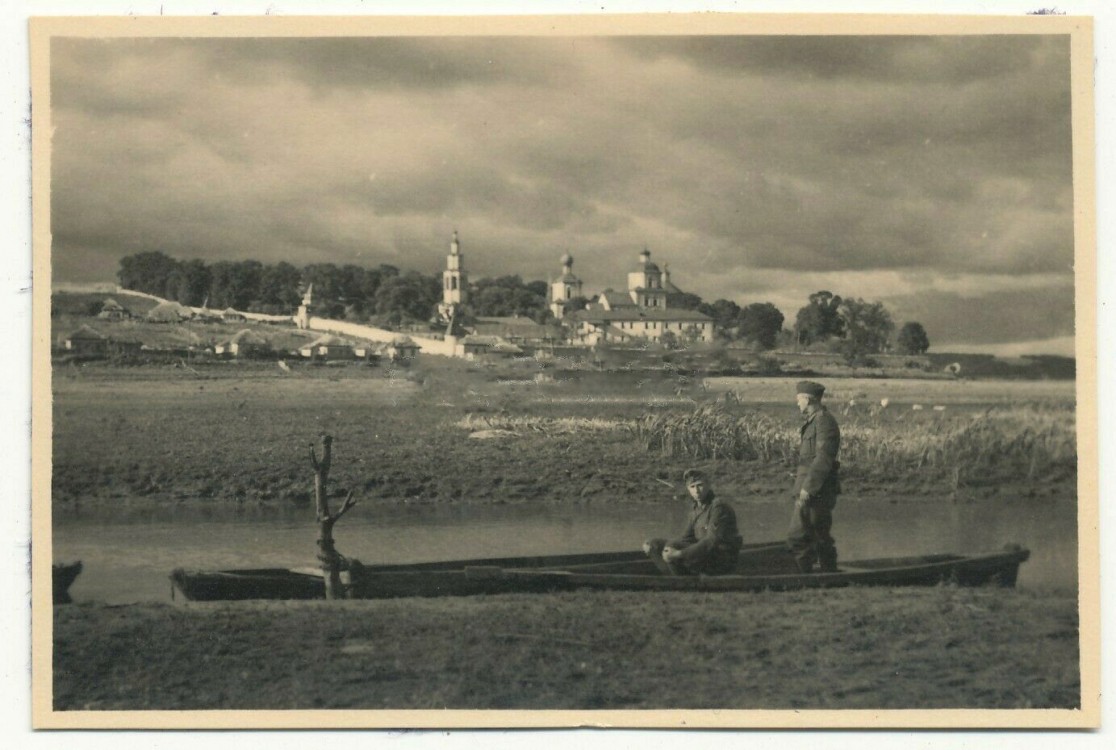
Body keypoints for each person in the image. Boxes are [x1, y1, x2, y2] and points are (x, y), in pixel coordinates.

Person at [642, 468, 743, 575]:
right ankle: (675, 578)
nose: (696, 491)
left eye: (700, 485)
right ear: (688, 489)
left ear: (708, 485)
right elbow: (686, 537)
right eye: (692, 487)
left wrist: (679, 553)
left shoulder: (719, 507)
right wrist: (659, 546)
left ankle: (681, 581)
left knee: (673, 546)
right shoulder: (696, 508)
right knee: (654, 544)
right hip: (704, 554)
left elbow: (711, 541)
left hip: (721, 559)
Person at [787, 380, 841, 573]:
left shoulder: (824, 421)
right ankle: (828, 574)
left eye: (799, 400)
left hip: (816, 490)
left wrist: (808, 488)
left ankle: (803, 578)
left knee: (799, 535)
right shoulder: (814, 422)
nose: (797, 404)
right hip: (812, 487)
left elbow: (824, 458)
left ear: (808, 399)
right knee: (818, 534)